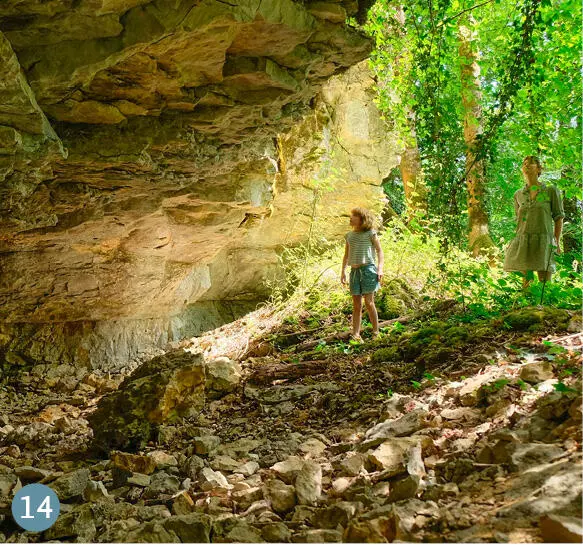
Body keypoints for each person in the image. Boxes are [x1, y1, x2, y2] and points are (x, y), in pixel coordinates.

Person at [503, 155, 565, 288]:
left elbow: (559, 218)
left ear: (539, 169)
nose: (526, 165)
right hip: (524, 240)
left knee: (544, 285)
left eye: (530, 163)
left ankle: (546, 309)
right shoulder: (518, 194)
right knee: (526, 284)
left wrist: (556, 241)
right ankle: (526, 308)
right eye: (524, 164)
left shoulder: (550, 190)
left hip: (544, 240)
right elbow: (519, 221)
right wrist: (513, 241)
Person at [341, 207, 384, 341]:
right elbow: (346, 255)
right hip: (354, 272)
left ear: (362, 219)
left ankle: (376, 332)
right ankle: (356, 334)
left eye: (354, 216)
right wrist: (342, 271)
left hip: (368, 270)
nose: (351, 218)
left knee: (369, 303)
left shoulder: (371, 233)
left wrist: (380, 268)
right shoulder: (349, 236)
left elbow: (379, 251)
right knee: (356, 305)